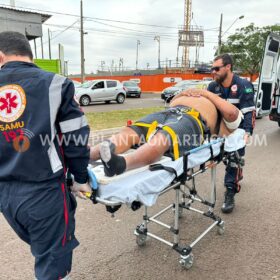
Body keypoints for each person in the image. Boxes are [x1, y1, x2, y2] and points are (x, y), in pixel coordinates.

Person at [0, 31, 92, 280]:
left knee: (41, 249)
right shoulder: (55, 83)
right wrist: (81, 177)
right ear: (30, 55)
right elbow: (76, 137)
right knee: (53, 264)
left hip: (6, 197)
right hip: (44, 193)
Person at [90, 88, 243, 178]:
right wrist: (185, 93)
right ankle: (93, 153)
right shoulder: (203, 96)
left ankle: (120, 165)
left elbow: (231, 113)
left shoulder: (227, 115)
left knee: (164, 136)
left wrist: (205, 93)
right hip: (169, 111)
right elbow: (172, 101)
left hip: (193, 119)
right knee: (132, 130)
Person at [207, 53, 255, 214]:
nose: (213, 71)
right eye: (212, 68)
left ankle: (230, 192)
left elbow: (249, 111)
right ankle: (237, 171)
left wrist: (248, 131)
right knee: (222, 157)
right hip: (220, 129)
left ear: (228, 67)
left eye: (217, 68)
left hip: (238, 129)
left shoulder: (243, 85)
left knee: (233, 159)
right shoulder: (212, 87)